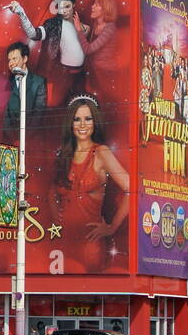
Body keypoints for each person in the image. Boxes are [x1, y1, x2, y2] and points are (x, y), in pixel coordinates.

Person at [50, 97, 130, 269]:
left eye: (88, 118)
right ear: (70, 123)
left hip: (90, 243)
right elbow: (52, 190)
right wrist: (56, 216)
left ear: (95, 121)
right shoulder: (64, 155)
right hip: (62, 241)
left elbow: (131, 189)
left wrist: (112, 227)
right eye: (77, 119)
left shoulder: (101, 152)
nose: (82, 124)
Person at [6, 0, 85, 105]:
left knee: (81, 106)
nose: (64, 11)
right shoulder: (53, 24)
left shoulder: (80, 24)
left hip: (81, 74)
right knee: (58, 107)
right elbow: (34, 34)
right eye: (61, 7)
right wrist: (21, 13)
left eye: (67, 6)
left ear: (74, 5)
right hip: (62, 75)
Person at [78, 0, 121, 95]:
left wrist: (79, 31)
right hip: (94, 72)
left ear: (106, 9)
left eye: (96, 5)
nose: (92, 7)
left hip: (105, 73)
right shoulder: (96, 25)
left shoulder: (110, 28)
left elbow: (88, 49)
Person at [3, 41, 47, 138]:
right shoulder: (6, 84)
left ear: (25, 58)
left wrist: (23, 138)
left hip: (32, 140)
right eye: (9, 60)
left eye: (14, 59)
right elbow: (5, 115)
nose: (11, 63)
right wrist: (13, 138)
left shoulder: (39, 82)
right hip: (10, 140)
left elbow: (38, 114)